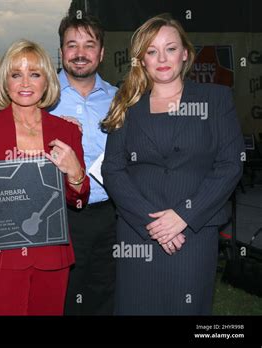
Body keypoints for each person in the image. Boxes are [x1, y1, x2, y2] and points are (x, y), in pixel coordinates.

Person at [101, 13, 244, 315]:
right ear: (141, 60)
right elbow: (113, 169)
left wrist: (183, 216)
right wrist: (152, 223)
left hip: (194, 232)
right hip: (139, 234)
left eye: (170, 48)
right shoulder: (125, 104)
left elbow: (230, 164)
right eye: (152, 51)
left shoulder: (216, 99)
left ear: (185, 54)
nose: (162, 58)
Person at [0, 39, 90, 315]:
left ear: (47, 81)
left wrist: (75, 173)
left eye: (34, 74)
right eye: (16, 74)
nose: (25, 83)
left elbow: (79, 199)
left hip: (52, 258)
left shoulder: (67, 131)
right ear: (6, 81)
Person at [48, 14, 117, 315]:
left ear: (101, 53)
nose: (80, 53)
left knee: (104, 294)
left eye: (89, 45)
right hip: (58, 214)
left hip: (110, 215)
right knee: (61, 296)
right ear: (61, 51)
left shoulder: (119, 100)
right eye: (71, 45)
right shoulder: (42, 97)